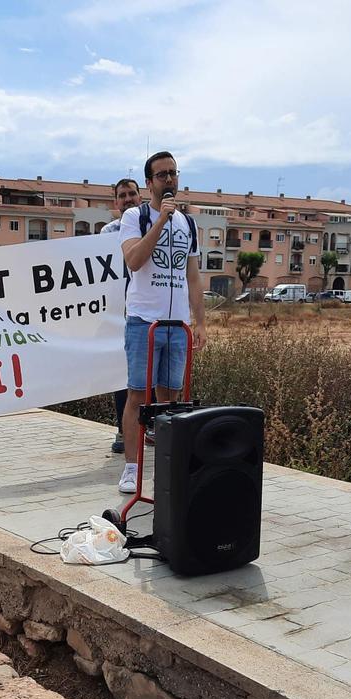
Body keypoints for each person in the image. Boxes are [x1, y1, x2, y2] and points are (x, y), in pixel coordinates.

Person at [116, 151, 206, 493]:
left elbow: (193, 277)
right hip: (143, 320)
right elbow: (134, 261)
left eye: (173, 173)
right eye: (162, 175)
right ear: (149, 183)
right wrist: (160, 221)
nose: (169, 180)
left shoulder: (189, 223)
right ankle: (131, 467)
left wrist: (200, 322)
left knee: (171, 397)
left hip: (178, 324)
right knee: (138, 395)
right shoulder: (134, 218)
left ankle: (168, 465)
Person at [102, 177, 142, 455]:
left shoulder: (153, 224)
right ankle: (122, 429)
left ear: (141, 196)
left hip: (148, 311)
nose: (127, 199)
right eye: (122, 195)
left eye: (132, 194)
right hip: (120, 312)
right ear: (116, 202)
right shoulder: (107, 232)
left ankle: (150, 429)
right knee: (123, 375)